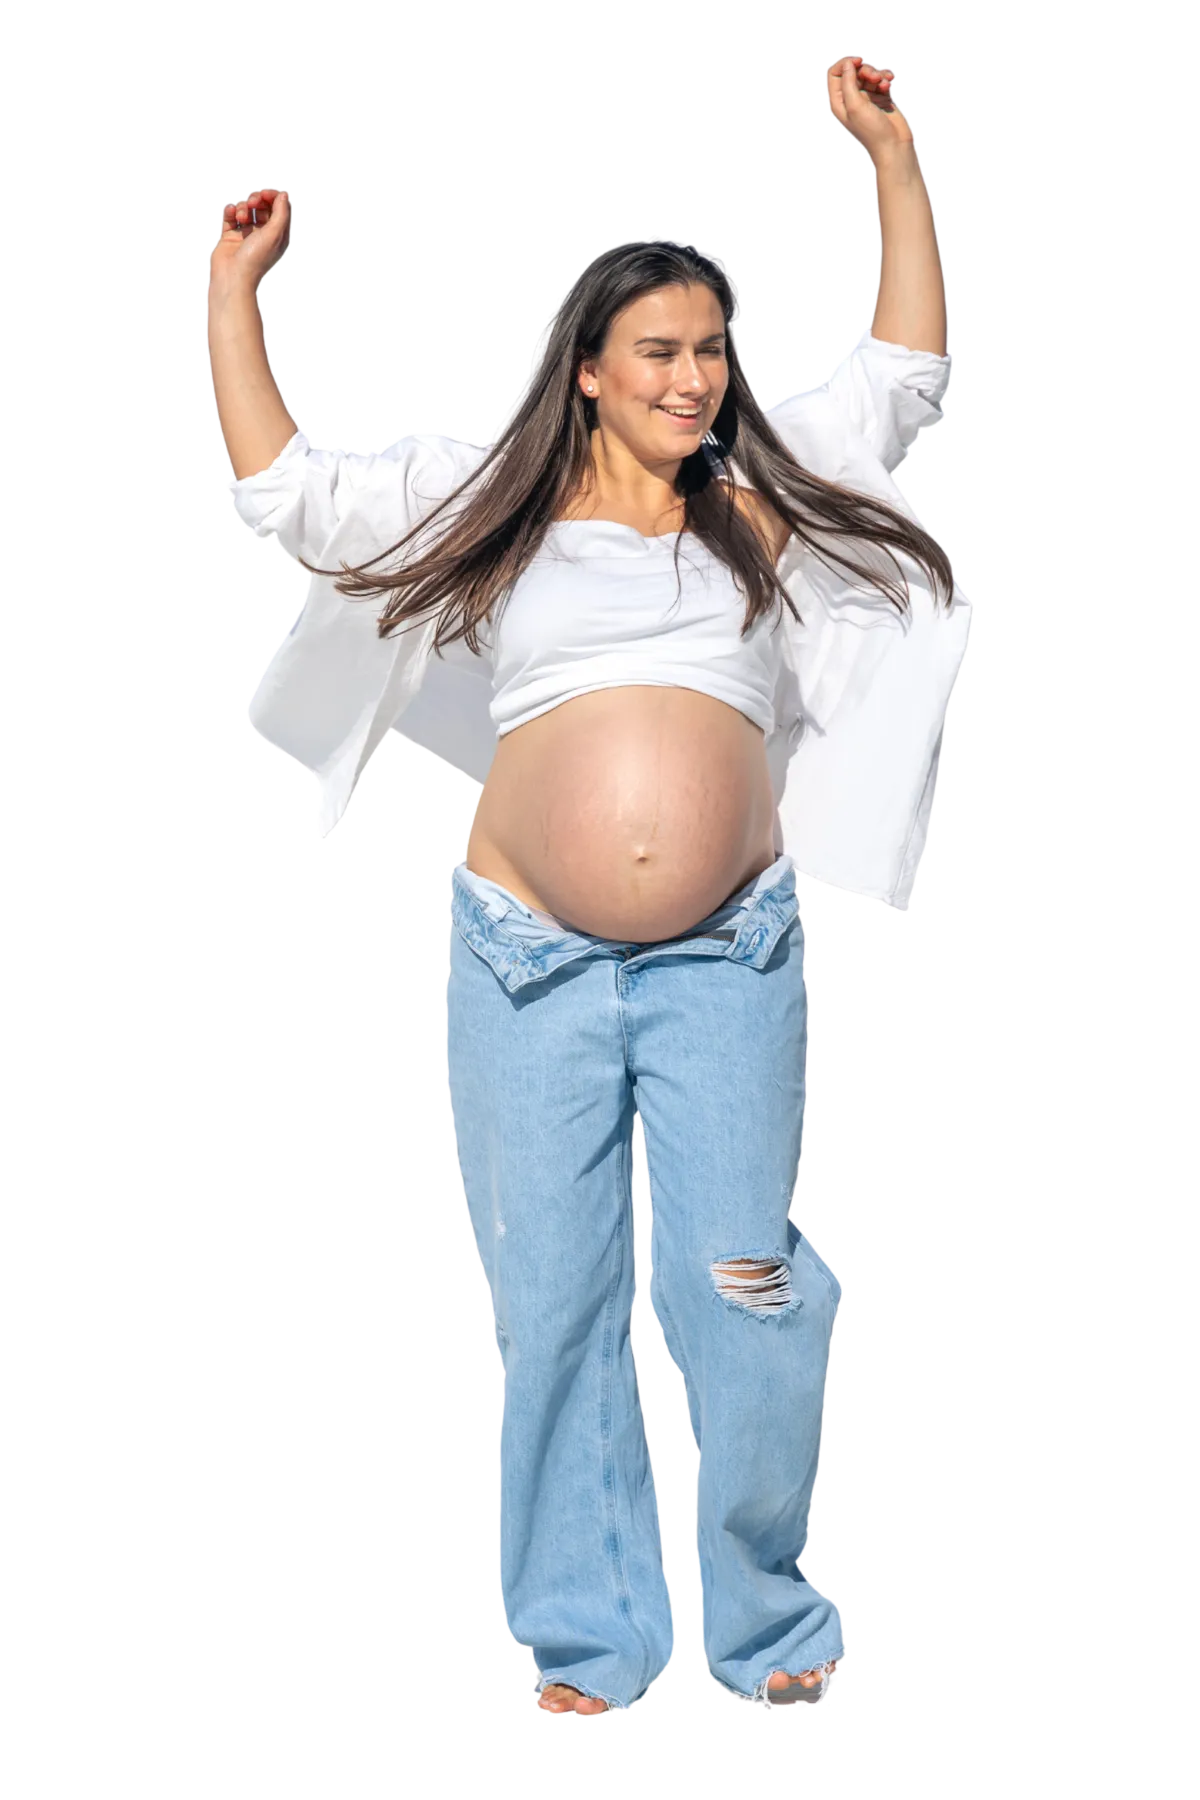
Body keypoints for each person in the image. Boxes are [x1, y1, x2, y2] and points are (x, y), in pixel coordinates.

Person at [210, 186, 970, 1715]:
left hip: (728, 957)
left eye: (711, 351)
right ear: (590, 370)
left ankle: (762, 1622)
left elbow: (902, 371)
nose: (693, 378)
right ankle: (590, 1639)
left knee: (738, 1280)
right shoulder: (488, 497)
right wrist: (235, 286)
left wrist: (891, 161)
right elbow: (285, 494)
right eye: (658, 351)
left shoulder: (761, 495)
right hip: (523, 957)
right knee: (550, 1299)